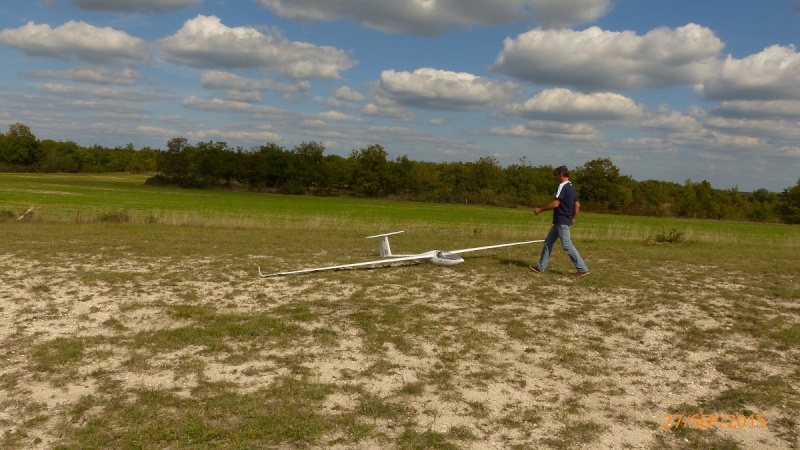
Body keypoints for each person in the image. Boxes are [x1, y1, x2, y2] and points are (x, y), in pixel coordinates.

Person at [530, 166, 589, 278]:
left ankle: (582, 268)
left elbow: (555, 204)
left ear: (561, 174)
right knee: (548, 242)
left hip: (561, 220)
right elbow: (577, 205)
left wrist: (540, 210)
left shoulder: (562, 186)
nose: (555, 177)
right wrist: (573, 218)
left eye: (556, 175)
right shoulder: (572, 187)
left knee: (567, 245)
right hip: (561, 221)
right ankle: (540, 267)